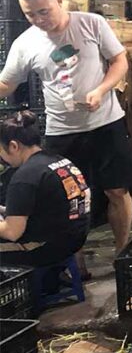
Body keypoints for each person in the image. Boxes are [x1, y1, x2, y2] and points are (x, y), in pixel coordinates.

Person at [0, 0, 132, 254]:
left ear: (59, 2)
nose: (39, 20)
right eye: (30, 14)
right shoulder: (25, 44)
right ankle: (76, 262)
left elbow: (119, 60)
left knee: (116, 191)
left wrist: (101, 89)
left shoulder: (91, 24)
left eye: (44, 11)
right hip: (62, 131)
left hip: (106, 122)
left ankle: (122, 254)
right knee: (68, 199)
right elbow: (6, 84)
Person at [0, 110, 91, 268]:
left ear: (13, 146)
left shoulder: (24, 177)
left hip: (45, 247)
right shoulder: (59, 161)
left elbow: (12, 232)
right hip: (75, 237)